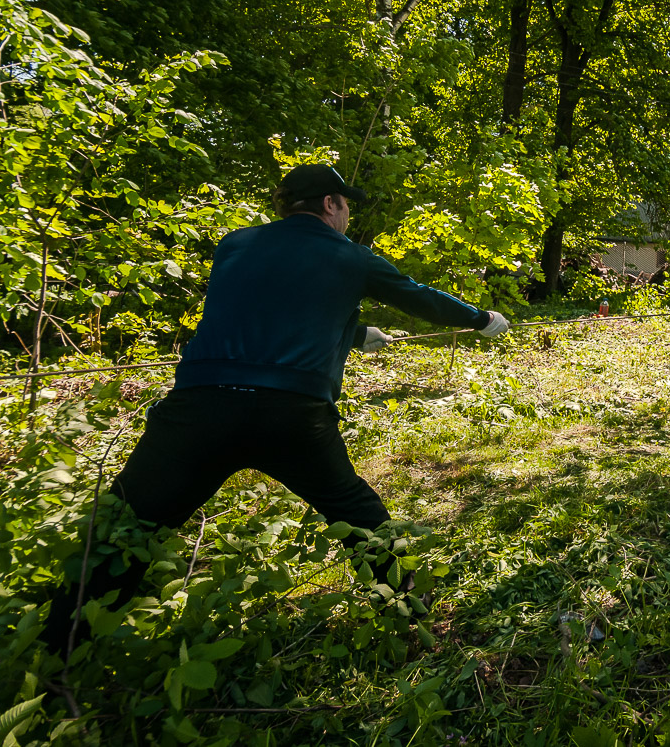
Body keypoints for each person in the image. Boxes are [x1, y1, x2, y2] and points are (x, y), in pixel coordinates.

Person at [40, 165, 510, 653]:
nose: (347, 215)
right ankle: (408, 612)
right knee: (354, 510)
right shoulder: (352, 257)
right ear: (330, 204)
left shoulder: (236, 245)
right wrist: (480, 319)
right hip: (290, 414)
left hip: (198, 408)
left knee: (129, 524)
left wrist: (354, 335)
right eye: (346, 205)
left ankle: (61, 649)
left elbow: (263, 305)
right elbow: (420, 299)